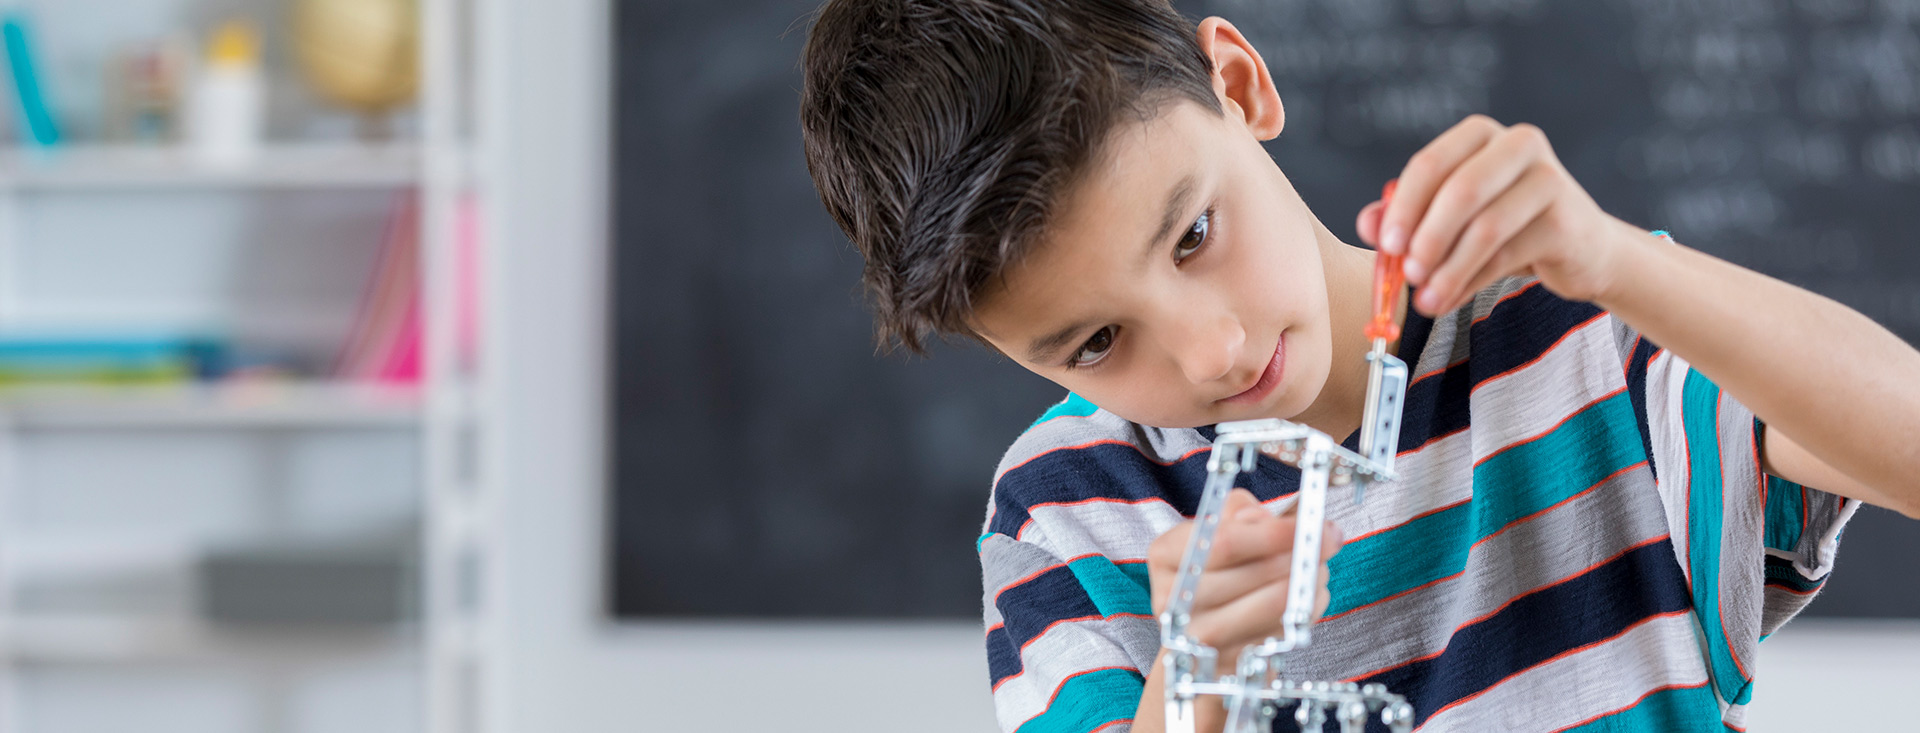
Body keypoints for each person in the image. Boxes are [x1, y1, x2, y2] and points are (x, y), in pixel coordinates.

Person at [797, 1, 1920, 730]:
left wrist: (1623, 263)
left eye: (1194, 235)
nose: (1216, 352)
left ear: (1240, 88)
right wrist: (1194, 679)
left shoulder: (1581, 329)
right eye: (1097, 344)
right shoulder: (1065, 516)